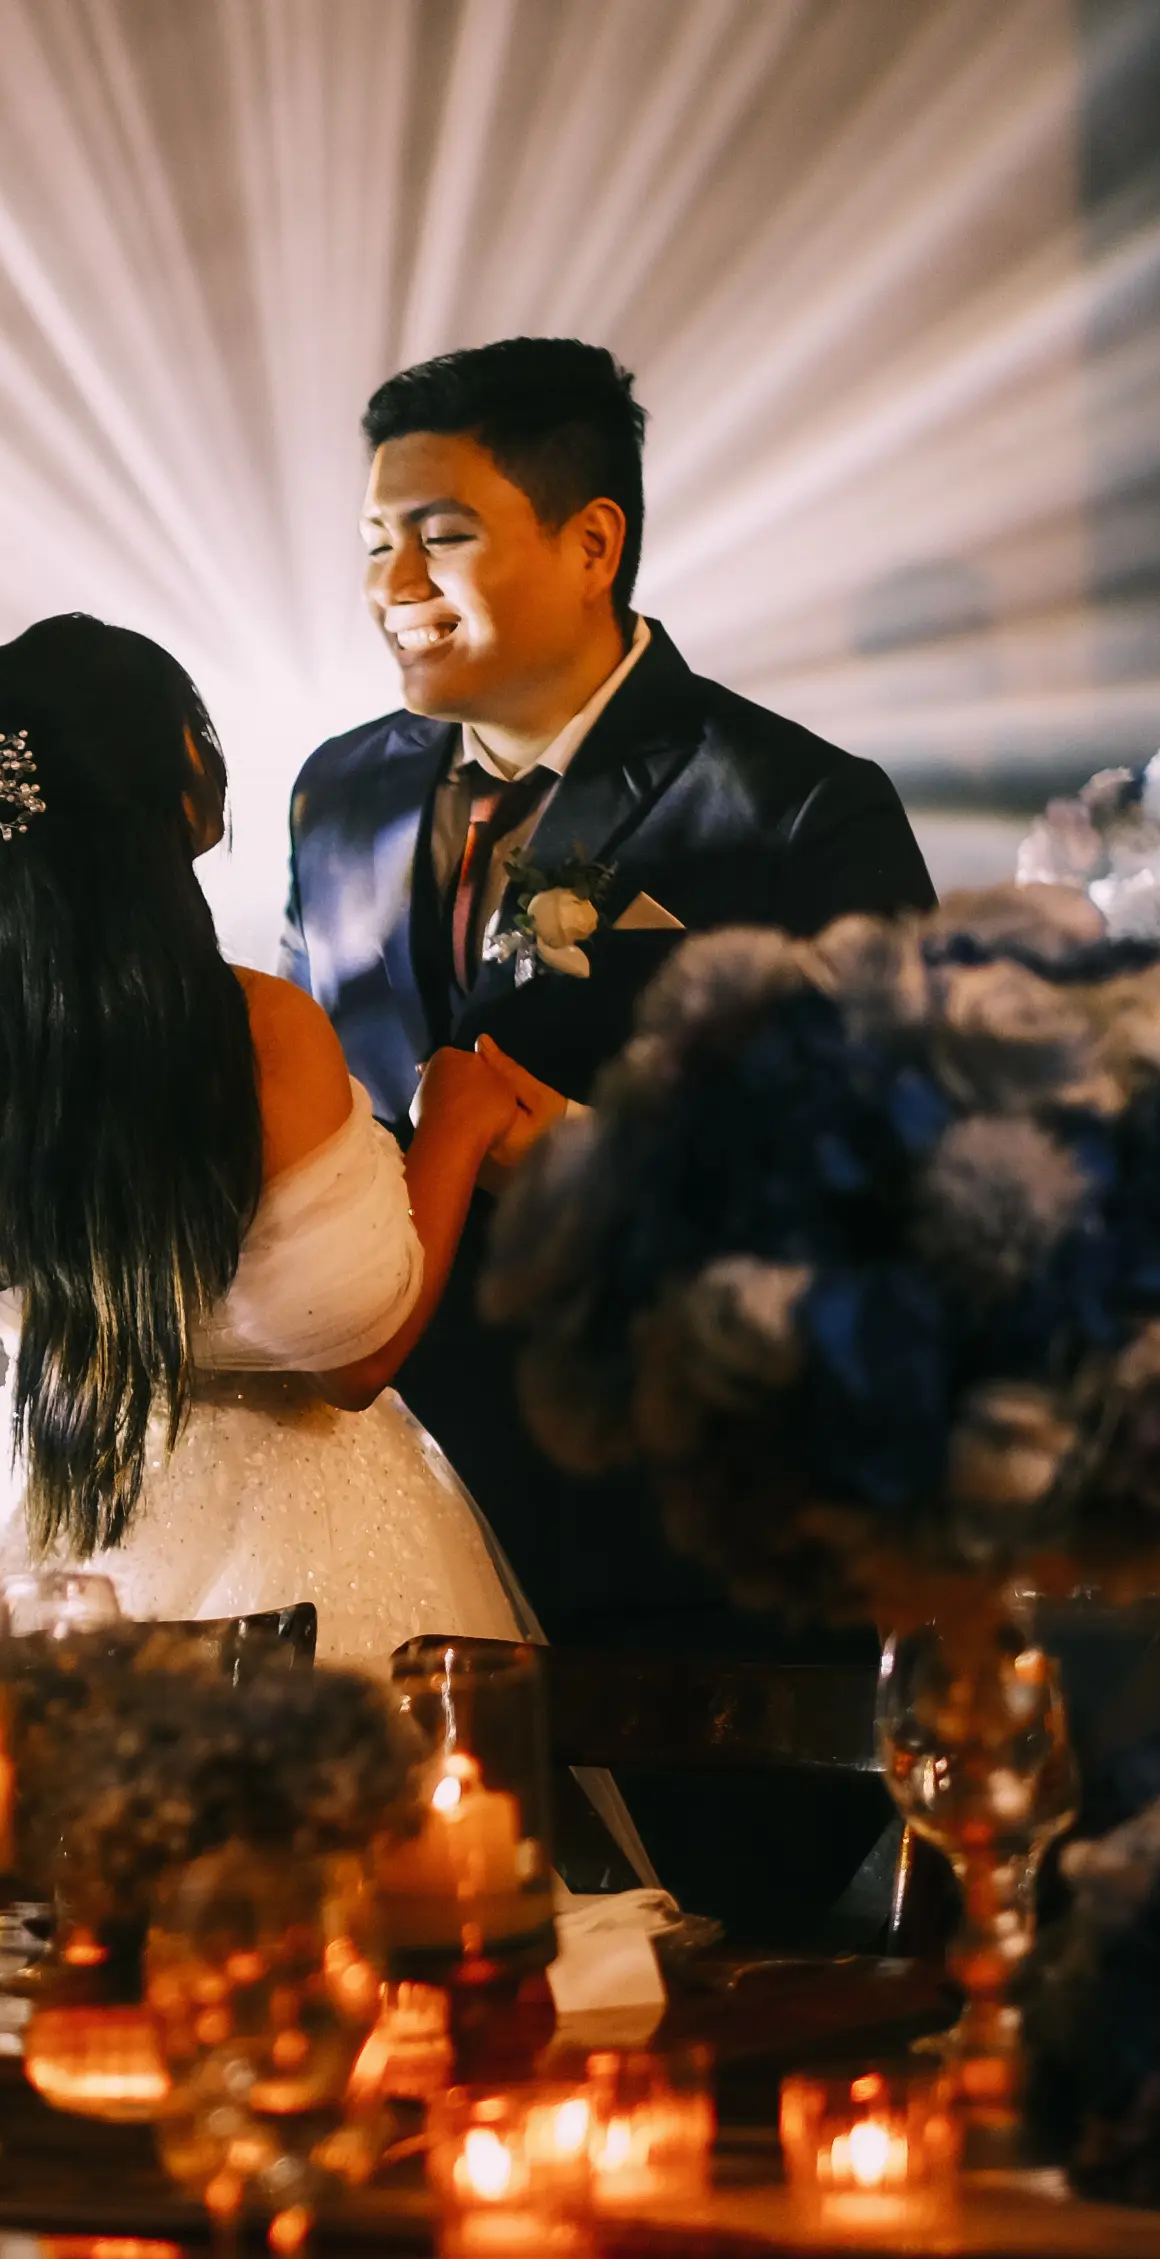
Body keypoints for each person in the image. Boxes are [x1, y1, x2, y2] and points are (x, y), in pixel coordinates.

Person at [286, 337, 936, 1912]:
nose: (394, 581)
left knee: (727, 1993)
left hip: (678, 1531)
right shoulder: (344, 795)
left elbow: (898, 1181)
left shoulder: (791, 809)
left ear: (593, 544)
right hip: (394, 1498)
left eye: (440, 533)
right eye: (376, 539)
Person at [0, 614, 567, 1668]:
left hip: (47, 1501)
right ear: (173, 788)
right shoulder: (256, 1028)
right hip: (293, 1532)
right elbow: (352, 1359)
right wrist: (456, 1126)